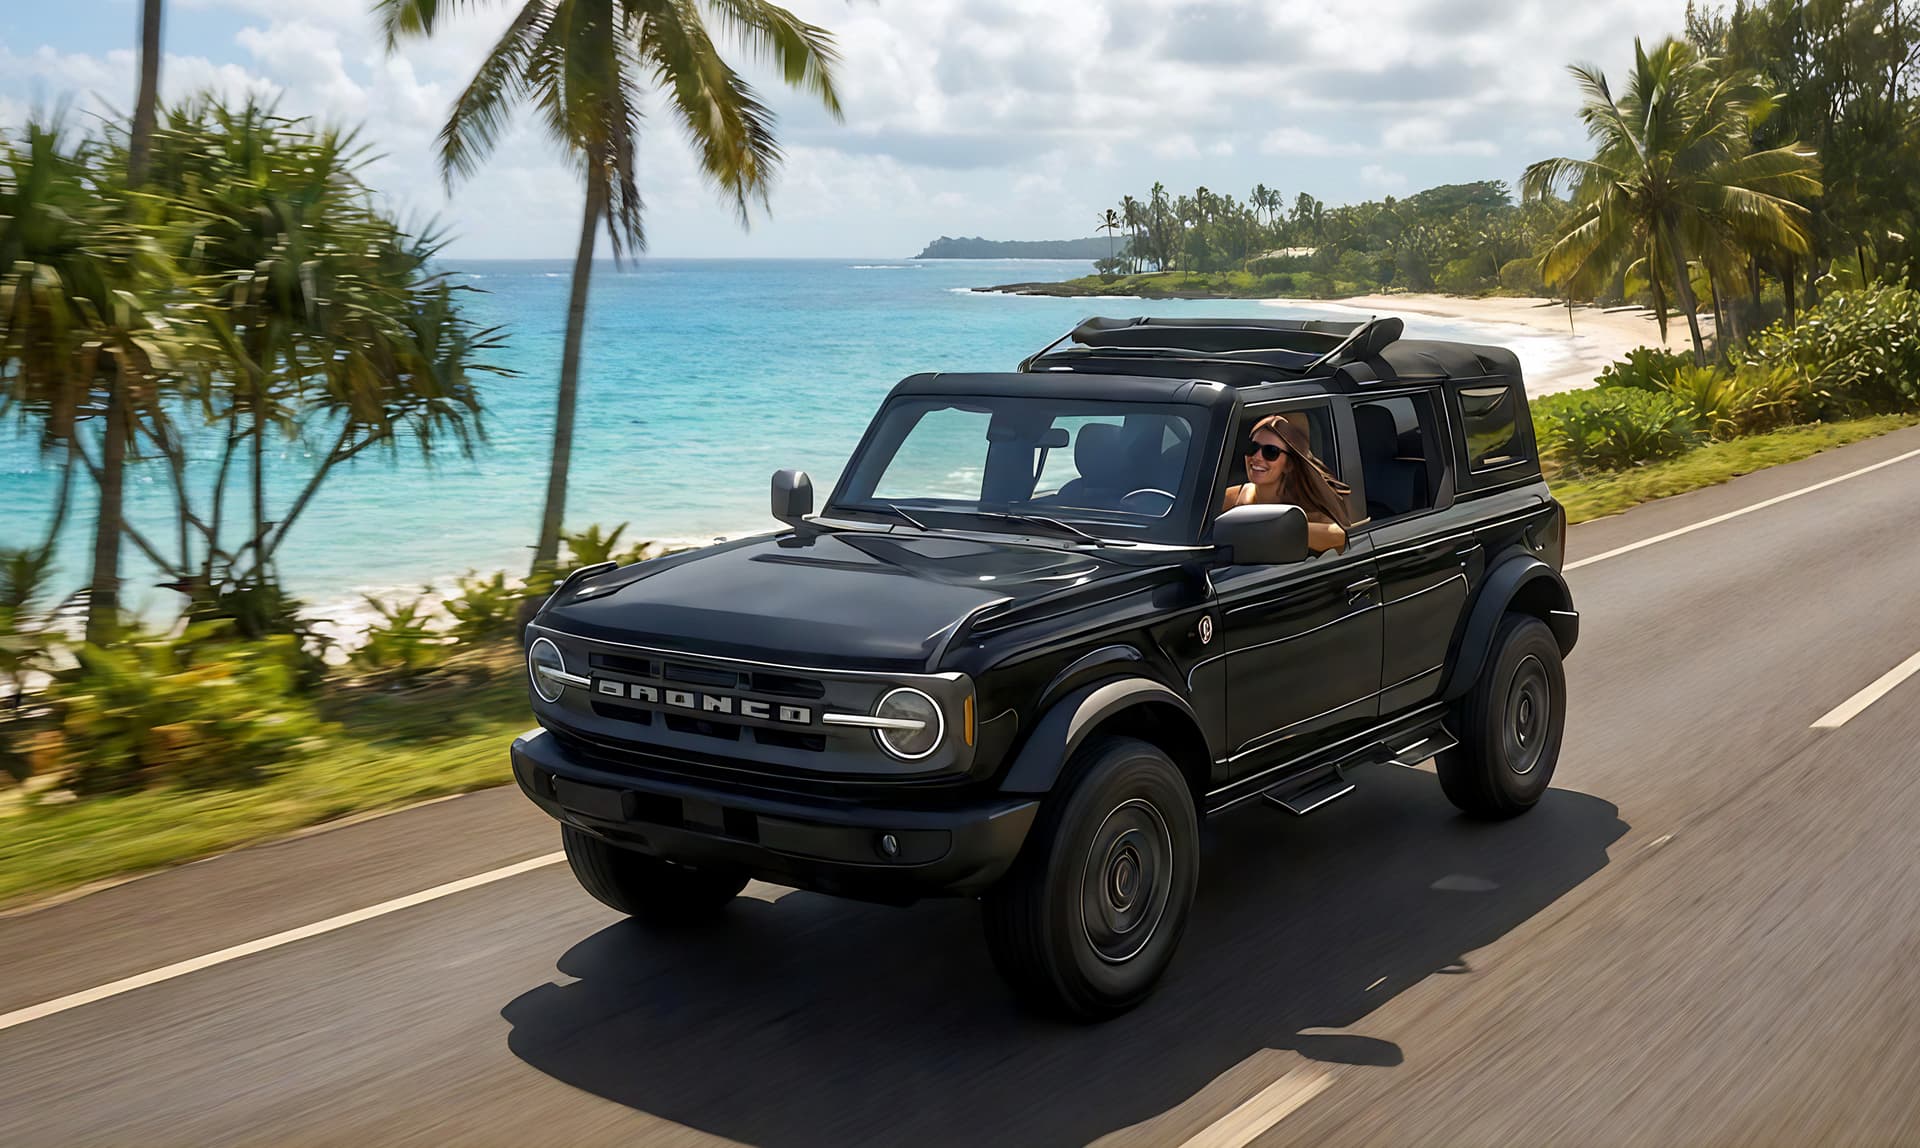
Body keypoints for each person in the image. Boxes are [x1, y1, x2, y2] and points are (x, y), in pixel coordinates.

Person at [1221, 413, 1353, 554]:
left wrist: (1278, 530)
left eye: (1271, 452)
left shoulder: (1308, 513)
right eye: (1253, 448)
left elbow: (1340, 538)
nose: (1257, 457)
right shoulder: (1234, 498)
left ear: (1288, 465)